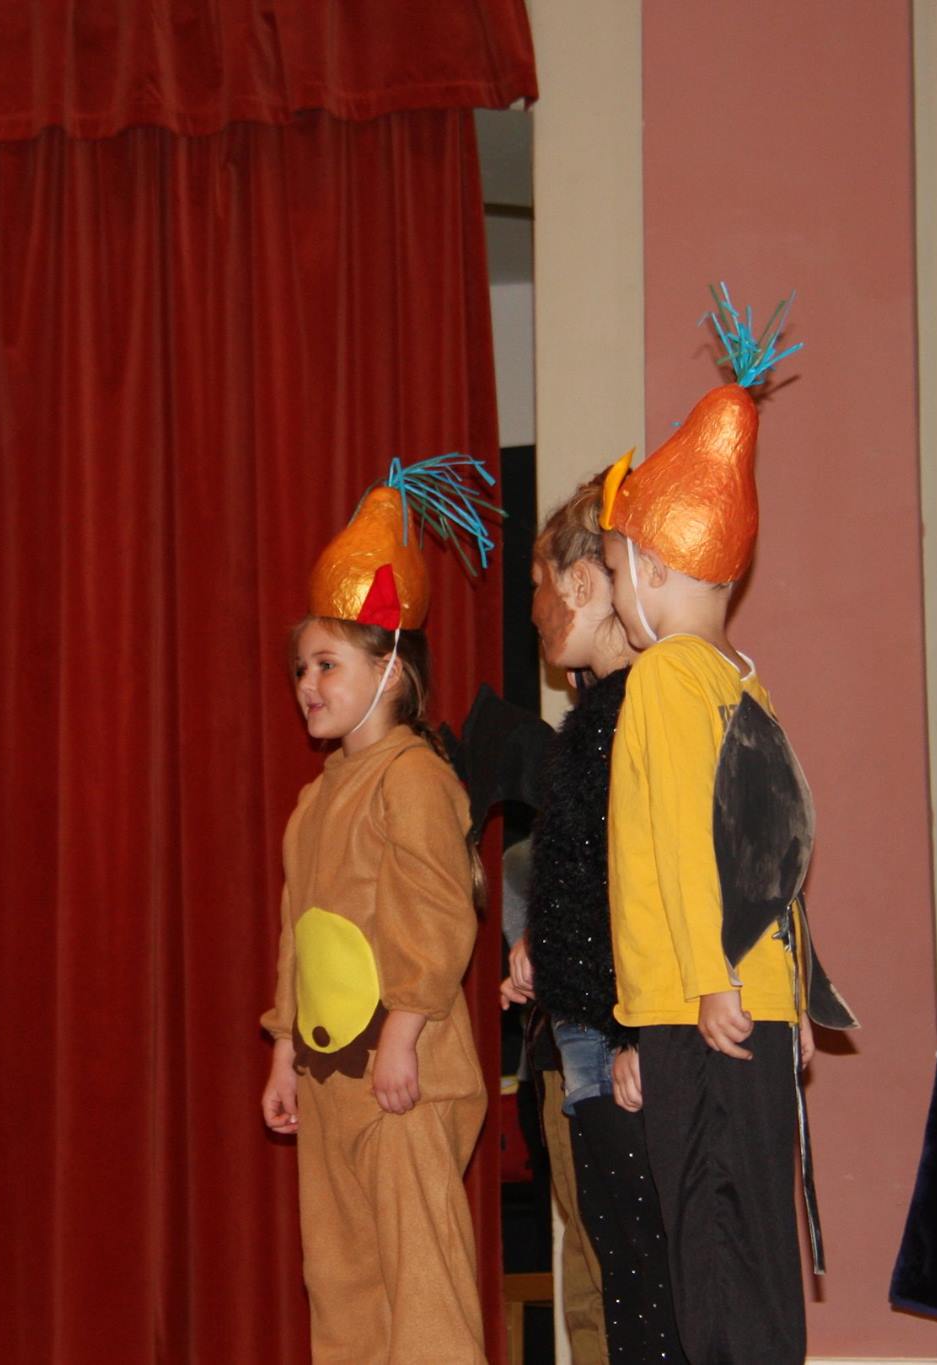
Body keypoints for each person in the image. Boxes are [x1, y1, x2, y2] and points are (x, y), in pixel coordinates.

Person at [597, 291, 854, 1364]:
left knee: (709, 1247)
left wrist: (704, 982)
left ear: (654, 571)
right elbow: (774, 848)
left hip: (699, 1010)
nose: (615, 598)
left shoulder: (661, 677)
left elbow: (683, 843)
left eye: (615, 571)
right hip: (750, 1006)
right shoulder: (742, 680)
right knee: (755, 1244)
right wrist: (788, 996)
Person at [258, 455, 498, 1362]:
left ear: (390, 666)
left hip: (406, 1075)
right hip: (331, 1080)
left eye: (327, 663)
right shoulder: (314, 801)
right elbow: (298, 937)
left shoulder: (414, 778)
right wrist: (285, 1052)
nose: (307, 684)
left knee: (420, 1278)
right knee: (344, 1278)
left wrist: (401, 1034)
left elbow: (439, 915)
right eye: (300, 669)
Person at [506, 473, 688, 1362]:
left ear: (584, 581)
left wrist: (636, 1032)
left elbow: (657, 884)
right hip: (589, 1044)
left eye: (540, 584)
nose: (534, 610)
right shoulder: (596, 719)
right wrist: (542, 942)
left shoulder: (639, 711)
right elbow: (593, 875)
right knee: (619, 1277)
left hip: (622, 1048)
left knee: (649, 1290)